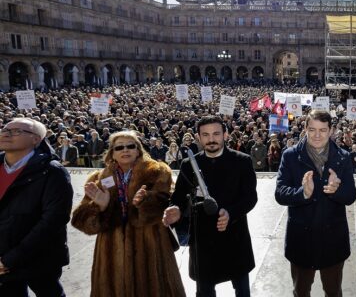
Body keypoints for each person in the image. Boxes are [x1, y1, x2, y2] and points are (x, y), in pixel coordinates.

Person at [71, 130, 185, 296]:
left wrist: (146, 202)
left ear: (138, 150)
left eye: (130, 146)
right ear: (112, 153)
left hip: (150, 248)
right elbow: (80, 221)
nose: (125, 150)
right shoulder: (98, 178)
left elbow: (168, 202)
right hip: (111, 254)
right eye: (119, 147)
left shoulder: (158, 172)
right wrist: (100, 207)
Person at [163, 116, 257, 297]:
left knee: (242, 290)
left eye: (216, 134)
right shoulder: (188, 164)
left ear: (225, 135)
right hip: (202, 240)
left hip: (234, 236)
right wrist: (175, 209)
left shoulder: (242, 161)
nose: (211, 139)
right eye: (205, 135)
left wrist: (230, 213)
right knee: (204, 291)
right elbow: (179, 198)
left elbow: (250, 197)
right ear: (198, 137)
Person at [275, 110, 356, 297]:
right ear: (305, 129)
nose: (317, 135)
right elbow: (280, 193)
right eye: (312, 129)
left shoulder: (343, 157)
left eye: (323, 130)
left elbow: (351, 196)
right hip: (301, 242)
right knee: (301, 292)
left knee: (333, 292)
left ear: (331, 131)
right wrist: (302, 193)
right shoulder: (289, 156)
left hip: (333, 241)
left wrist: (337, 191)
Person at [0, 118, 73, 296]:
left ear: (36, 139)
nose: (6, 133)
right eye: (5, 129)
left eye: (17, 131)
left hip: (39, 257)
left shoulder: (52, 171)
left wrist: (11, 258)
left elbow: (52, 221)